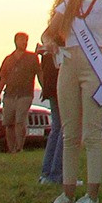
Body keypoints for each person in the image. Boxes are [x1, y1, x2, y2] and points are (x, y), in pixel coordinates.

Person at [43, 0, 102, 203]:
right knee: (69, 133)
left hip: (94, 65)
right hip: (69, 65)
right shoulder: (69, 2)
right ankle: (67, 192)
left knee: (92, 133)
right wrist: (50, 42)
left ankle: (92, 194)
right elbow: (48, 31)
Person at [0, 33, 40, 152]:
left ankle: (19, 147)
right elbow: (2, 78)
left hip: (25, 94)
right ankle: (12, 149)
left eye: (26, 40)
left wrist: (44, 89)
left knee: (20, 121)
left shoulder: (32, 58)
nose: (24, 42)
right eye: (22, 40)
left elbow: (39, 74)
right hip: (9, 94)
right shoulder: (8, 59)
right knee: (9, 123)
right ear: (15, 41)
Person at [37, 30, 63, 184]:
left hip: (51, 90)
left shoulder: (46, 48)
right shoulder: (59, 48)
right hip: (60, 89)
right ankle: (56, 173)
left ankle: (46, 173)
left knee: (56, 129)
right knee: (64, 129)